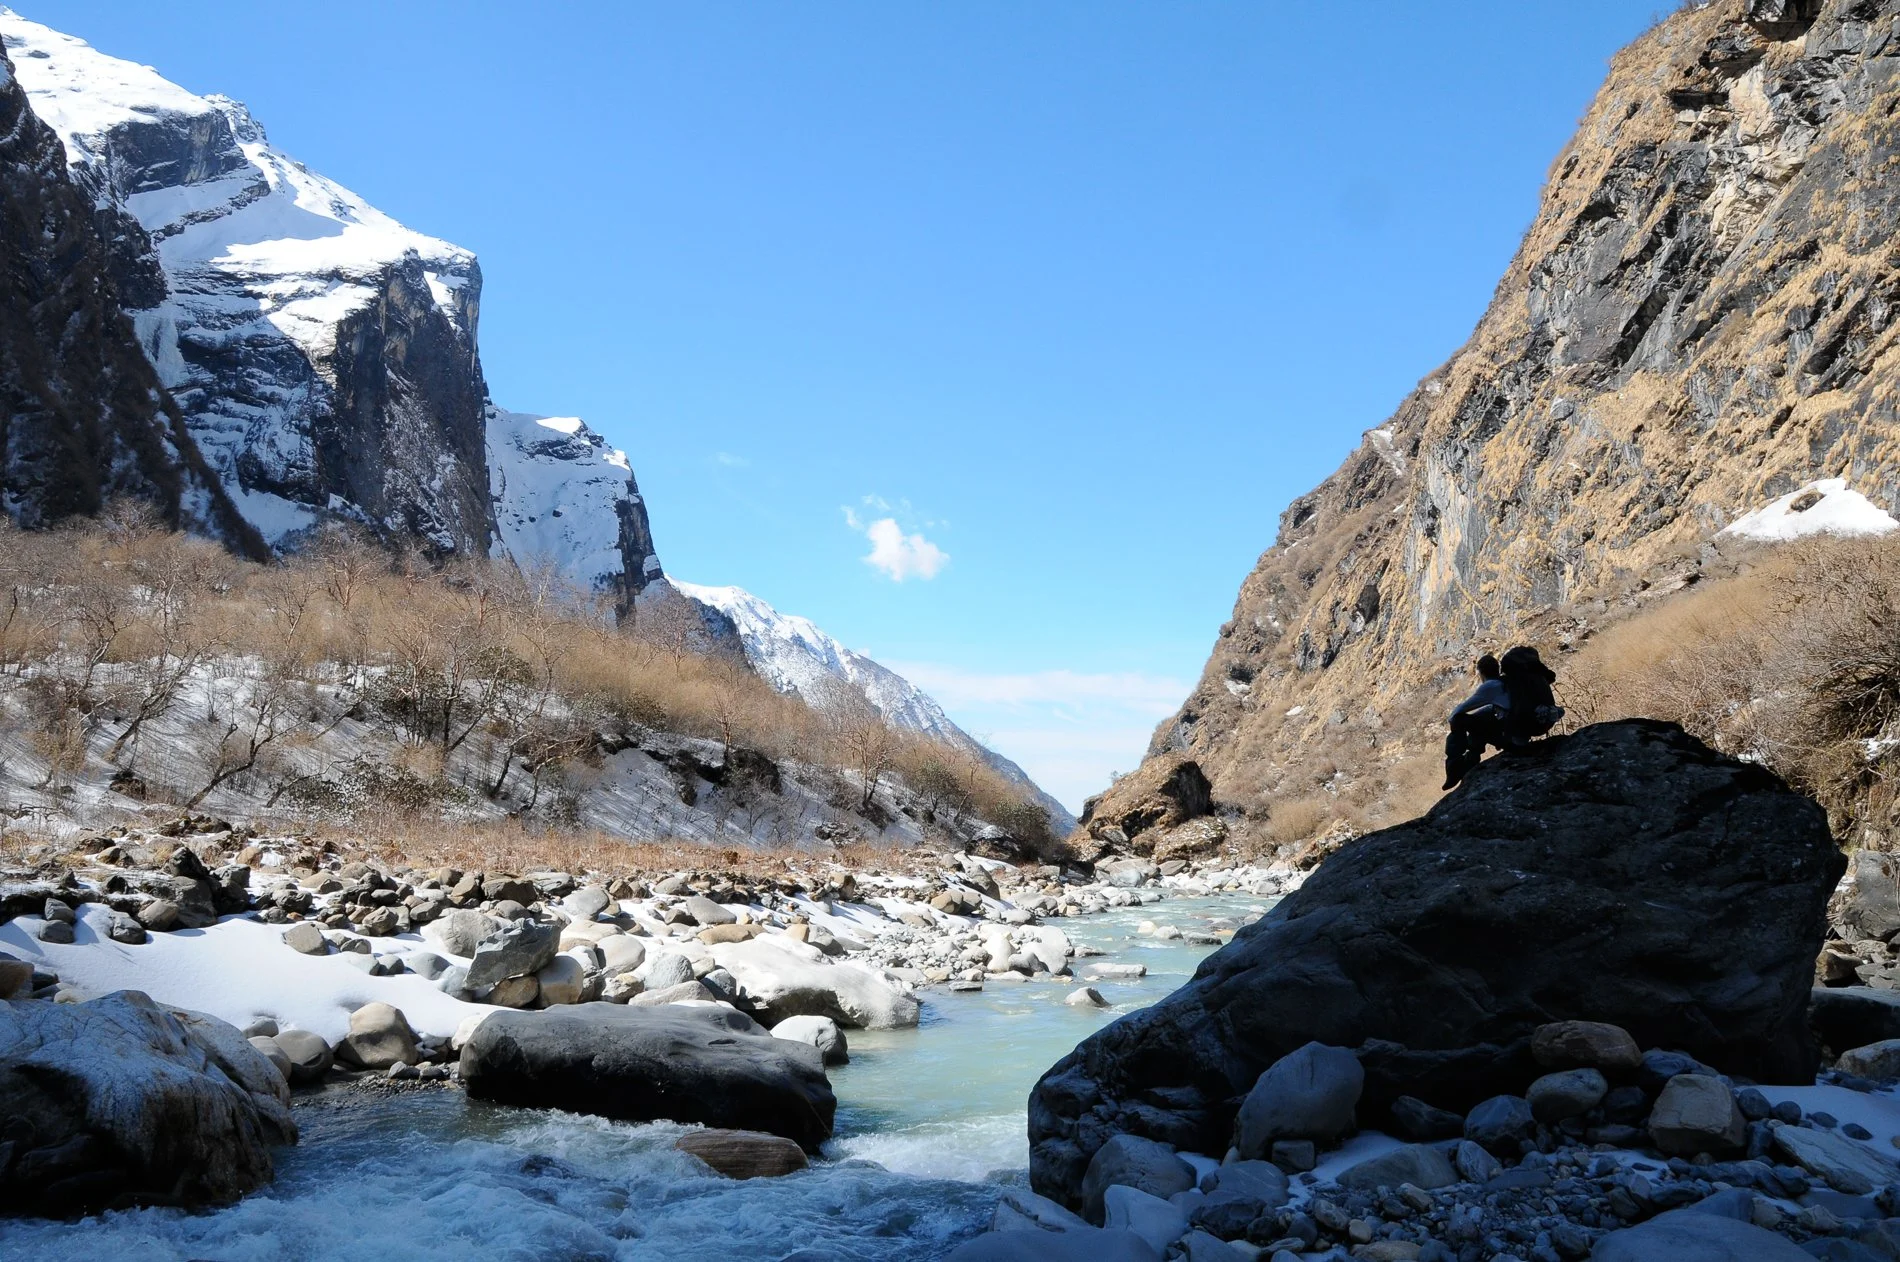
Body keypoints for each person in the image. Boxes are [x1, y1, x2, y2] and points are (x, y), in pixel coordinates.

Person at [1443, 654, 1507, 790]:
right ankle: (1466, 766)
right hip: (1516, 730)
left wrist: (1452, 720)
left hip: (1508, 735)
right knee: (1482, 719)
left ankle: (1454, 770)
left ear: (1481, 673)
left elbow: (1462, 709)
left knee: (1460, 720)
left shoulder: (1490, 686)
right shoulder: (1505, 683)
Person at [1498, 644, 1563, 747]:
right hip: (1549, 719)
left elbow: (1520, 707)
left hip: (1529, 724)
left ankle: (1517, 748)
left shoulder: (1514, 680)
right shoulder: (1541, 675)